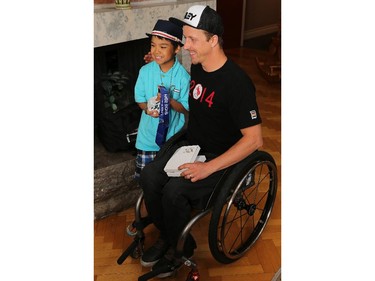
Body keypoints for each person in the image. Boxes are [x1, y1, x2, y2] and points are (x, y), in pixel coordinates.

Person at [139, 5, 263, 277]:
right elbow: (175, 74)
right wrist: (156, 59)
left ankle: (178, 250)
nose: (186, 46)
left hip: (221, 160)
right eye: (185, 38)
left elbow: (254, 140)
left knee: (174, 191)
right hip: (193, 145)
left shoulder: (237, 83)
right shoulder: (198, 66)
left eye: (193, 39)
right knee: (149, 175)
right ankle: (173, 237)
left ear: (214, 40)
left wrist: (208, 167)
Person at [134, 19, 190, 180]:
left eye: (163, 46)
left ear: (177, 48)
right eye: (153, 45)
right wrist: (146, 109)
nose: (156, 51)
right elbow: (140, 99)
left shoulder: (183, 78)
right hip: (147, 139)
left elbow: (186, 108)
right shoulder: (145, 71)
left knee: (167, 181)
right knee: (145, 182)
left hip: (171, 141)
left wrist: (169, 101)